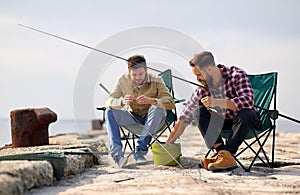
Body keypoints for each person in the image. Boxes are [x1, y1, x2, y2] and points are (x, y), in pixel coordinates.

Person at [166, 51, 261, 172]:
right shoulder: (202, 89)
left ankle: (227, 154)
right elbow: (184, 118)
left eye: (199, 74)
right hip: (224, 123)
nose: (197, 79)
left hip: (247, 122)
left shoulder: (236, 74)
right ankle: (222, 153)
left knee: (246, 113)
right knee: (197, 111)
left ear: (210, 70)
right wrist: (167, 145)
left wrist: (217, 102)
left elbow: (248, 101)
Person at [105, 55, 175, 168]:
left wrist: (153, 101)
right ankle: (118, 156)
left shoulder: (156, 80)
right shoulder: (122, 80)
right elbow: (109, 101)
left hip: (154, 119)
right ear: (129, 72)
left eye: (140, 74)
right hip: (133, 118)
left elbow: (170, 102)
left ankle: (140, 151)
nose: (137, 78)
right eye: (134, 75)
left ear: (146, 70)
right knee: (109, 112)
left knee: (157, 108)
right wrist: (122, 101)